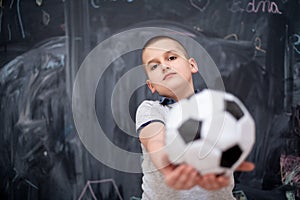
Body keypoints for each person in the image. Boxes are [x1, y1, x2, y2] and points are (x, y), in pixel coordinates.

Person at [135, 35, 255, 200]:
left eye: (171, 58)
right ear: (152, 86)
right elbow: (154, 139)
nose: (164, 66)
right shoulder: (151, 109)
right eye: (154, 66)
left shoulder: (219, 107)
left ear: (192, 65)